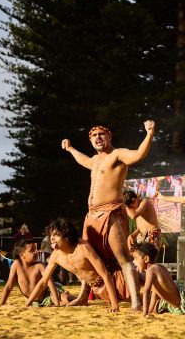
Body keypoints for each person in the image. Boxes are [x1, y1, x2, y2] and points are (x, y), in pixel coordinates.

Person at [61, 120, 155, 310]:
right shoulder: (95, 161)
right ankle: (83, 296)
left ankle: (136, 301)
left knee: (123, 259)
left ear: (109, 136)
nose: (98, 138)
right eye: (94, 136)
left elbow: (138, 154)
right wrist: (70, 149)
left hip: (110, 212)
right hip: (92, 215)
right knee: (89, 258)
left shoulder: (117, 154)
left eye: (101, 134)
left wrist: (149, 134)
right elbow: (83, 160)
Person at [25, 218, 120, 312]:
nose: (52, 238)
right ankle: (83, 298)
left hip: (114, 282)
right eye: (51, 235)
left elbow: (105, 274)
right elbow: (43, 282)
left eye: (56, 235)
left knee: (131, 297)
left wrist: (115, 305)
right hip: (95, 289)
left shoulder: (83, 248)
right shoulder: (56, 255)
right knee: (61, 299)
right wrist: (28, 303)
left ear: (67, 236)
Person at [0, 238, 76, 306]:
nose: (36, 252)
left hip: (48, 295)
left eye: (36, 249)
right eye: (32, 250)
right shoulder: (16, 265)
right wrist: (2, 304)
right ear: (22, 255)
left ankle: (73, 297)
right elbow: (9, 286)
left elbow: (50, 283)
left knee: (65, 300)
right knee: (62, 302)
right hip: (33, 301)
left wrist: (57, 302)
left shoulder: (39, 265)